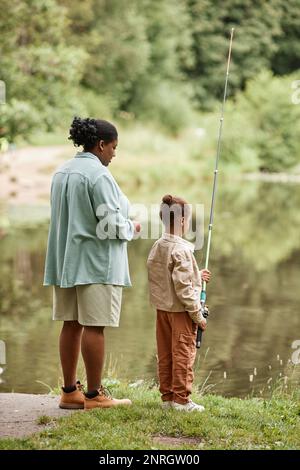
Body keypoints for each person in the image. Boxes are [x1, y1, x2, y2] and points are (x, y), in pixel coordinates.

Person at [44, 117, 140, 410]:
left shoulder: (62, 172)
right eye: (113, 147)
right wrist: (131, 228)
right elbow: (111, 224)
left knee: (70, 324)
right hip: (95, 264)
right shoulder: (98, 176)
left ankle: (70, 391)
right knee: (95, 327)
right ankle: (94, 395)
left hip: (66, 263)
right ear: (101, 145)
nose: (114, 153)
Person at [147, 194, 211, 412]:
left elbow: (166, 276)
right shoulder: (182, 250)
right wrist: (198, 316)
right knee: (183, 353)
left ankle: (167, 398)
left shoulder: (158, 245)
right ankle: (182, 400)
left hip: (162, 310)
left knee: (165, 353)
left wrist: (196, 274)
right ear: (182, 221)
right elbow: (184, 290)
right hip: (181, 312)